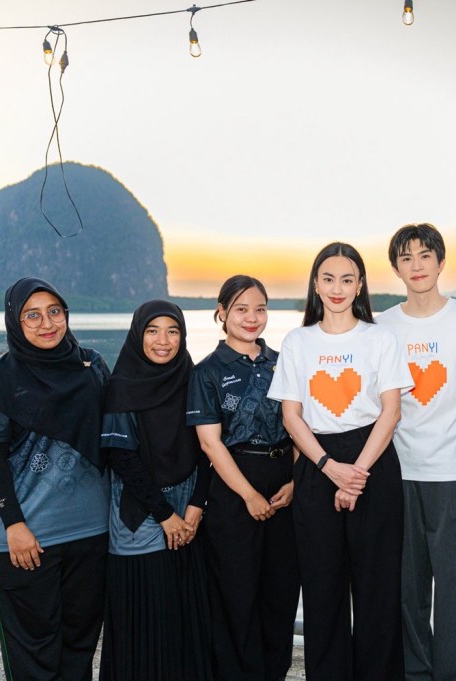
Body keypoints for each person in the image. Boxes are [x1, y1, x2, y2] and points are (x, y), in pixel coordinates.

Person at [268, 242, 413, 681]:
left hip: (373, 462)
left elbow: (391, 412)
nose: (337, 288)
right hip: (317, 465)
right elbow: (291, 417)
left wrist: (356, 475)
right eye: (328, 279)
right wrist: (329, 467)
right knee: (322, 589)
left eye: (347, 279)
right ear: (315, 284)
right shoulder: (298, 341)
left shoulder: (380, 338)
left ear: (360, 285)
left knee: (377, 591)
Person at [0, 277, 110, 681]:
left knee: (80, 647)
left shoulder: (92, 366)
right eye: (32, 315)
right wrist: (13, 524)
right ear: (15, 321)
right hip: (28, 539)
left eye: (54, 311)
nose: (46, 323)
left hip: (92, 532)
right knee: (33, 654)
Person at [376, 223, 456, 681]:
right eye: (406, 258)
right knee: (406, 589)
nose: (417, 266)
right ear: (396, 268)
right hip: (396, 470)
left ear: (441, 262)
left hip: (455, 470)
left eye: (425, 255)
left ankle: (453, 673)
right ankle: (415, 673)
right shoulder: (381, 327)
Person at [186, 275, 301, 680]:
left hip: (285, 482)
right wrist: (249, 495)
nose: (252, 318)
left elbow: (299, 424)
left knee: (281, 591)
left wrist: (296, 480)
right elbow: (210, 444)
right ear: (221, 313)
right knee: (236, 594)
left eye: (260, 309)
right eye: (241, 309)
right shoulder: (207, 372)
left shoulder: (283, 363)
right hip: (234, 487)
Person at [99, 300, 212, 681]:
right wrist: (165, 516)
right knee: (147, 614)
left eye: (172, 331)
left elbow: (209, 447)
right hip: (140, 515)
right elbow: (122, 458)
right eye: (152, 331)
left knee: (183, 615)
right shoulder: (121, 387)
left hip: (189, 512)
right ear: (138, 335)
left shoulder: (192, 380)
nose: (163, 341)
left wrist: (196, 505)